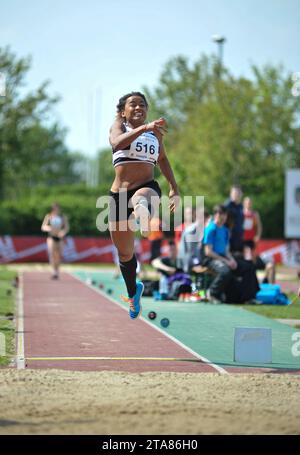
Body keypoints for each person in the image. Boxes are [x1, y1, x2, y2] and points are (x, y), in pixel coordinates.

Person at [108, 91, 179, 319]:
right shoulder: (119, 126)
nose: (139, 108)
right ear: (123, 111)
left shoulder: (155, 134)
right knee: (125, 253)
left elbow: (163, 159)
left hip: (146, 185)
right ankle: (133, 292)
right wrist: (144, 128)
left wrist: (174, 188)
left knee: (141, 199)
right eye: (133, 104)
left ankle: (144, 218)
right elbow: (116, 144)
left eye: (142, 105)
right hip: (118, 195)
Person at [202, 204, 259, 303]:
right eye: (220, 214)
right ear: (215, 215)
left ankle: (248, 298)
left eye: (225, 215)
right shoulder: (210, 229)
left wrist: (231, 260)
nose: (223, 217)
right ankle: (212, 293)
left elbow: (226, 251)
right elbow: (208, 252)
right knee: (225, 271)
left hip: (224, 257)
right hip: (210, 259)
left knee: (248, 267)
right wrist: (226, 261)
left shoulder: (225, 230)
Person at [243, 196, 276, 284]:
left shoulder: (254, 214)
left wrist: (258, 236)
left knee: (253, 259)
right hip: (243, 240)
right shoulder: (241, 213)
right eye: (247, 202)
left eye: (250, 202)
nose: (248, 204)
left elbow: (259, 226)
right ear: (244, 203)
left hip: (251, 240)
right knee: (246, 259)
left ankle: (254, 278)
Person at [41, 203, 69, 279]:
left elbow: (66, 228)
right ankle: (54, 272)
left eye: (57, 208)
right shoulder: (49, 216)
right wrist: (49, 228)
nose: (56, 209)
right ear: (52, 208)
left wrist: (62, 232)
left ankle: (57, 271)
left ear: (59, 208)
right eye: (54, 208)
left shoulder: (63, 217)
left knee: (58, 256)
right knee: (52, 255)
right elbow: (43, 226)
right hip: (51, 237)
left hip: (60, 239)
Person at [224, 185, 244, 256]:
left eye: (238, 193)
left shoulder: (241, 206)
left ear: (241, 194)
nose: (236, 195)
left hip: (238, 236)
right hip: (230, 237)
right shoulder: (227, 205)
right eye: (235, 193)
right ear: (231, 194)